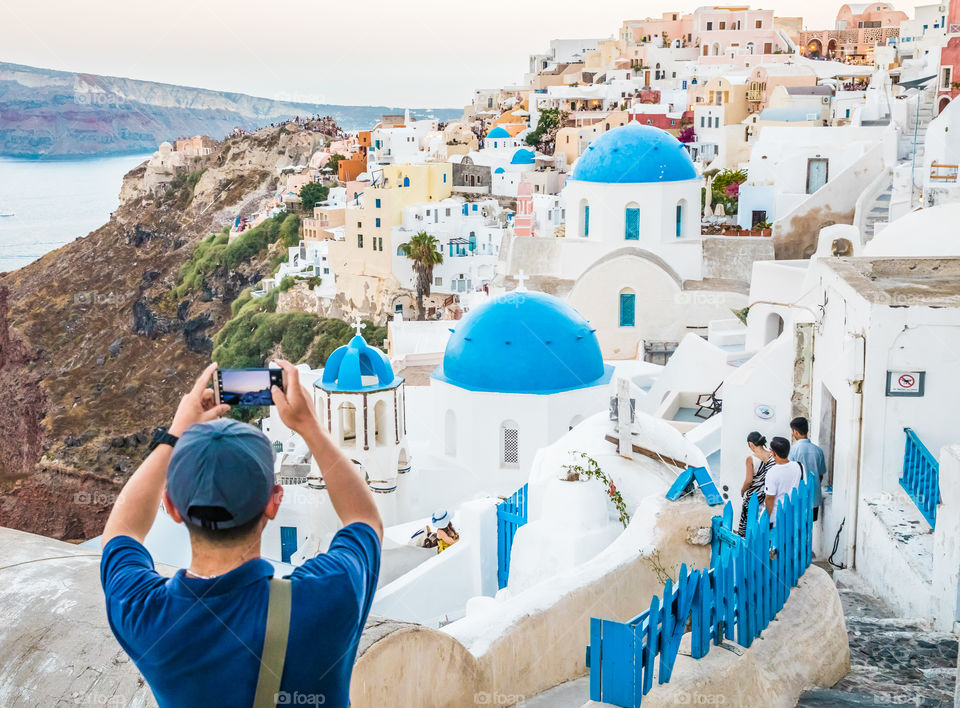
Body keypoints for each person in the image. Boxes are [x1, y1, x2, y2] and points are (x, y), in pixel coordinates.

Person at [99, 362, 383, 708]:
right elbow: (364, 519)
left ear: (171, 507)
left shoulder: (145, 615)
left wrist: (174, 435)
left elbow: (122, 529)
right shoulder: (329, 594)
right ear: (274, 503)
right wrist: (309, 427)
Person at [789, 416, 826, 521]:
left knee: (796, 529)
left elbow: (791, 474)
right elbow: (820, 475)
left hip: (798, 498)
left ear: (795, 432)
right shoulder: (818, 451)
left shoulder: (792, 450)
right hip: (814, 498)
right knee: (809, 528)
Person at [738, 432, 775, 536]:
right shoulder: (773, 456)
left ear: (751, 444)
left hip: (754, 496)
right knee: (763, 525)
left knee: (747, 526)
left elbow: (749, 480)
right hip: (768, 495)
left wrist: (742, 490)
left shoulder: (750, 459)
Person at [765, 436, 804, 527]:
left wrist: (766, 519)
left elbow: (770, 498)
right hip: (795, 515)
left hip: (776, 519)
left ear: (774, 453)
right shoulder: (799, 466)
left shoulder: (772, 472)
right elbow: (803, 486)